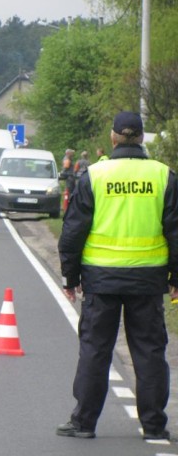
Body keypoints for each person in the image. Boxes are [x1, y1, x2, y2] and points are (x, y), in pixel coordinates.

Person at [57, 111, 178, 440]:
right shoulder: (164, 176)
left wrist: (70, 278)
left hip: (101, 278)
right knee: (150, 351)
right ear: (141, 138)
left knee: (96, 349)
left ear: (113, 138)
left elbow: (72, 234)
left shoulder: (94, 176)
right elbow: (176, 232)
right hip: (148, 279)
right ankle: (154, 426)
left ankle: (83, 423)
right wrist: (175, 278)